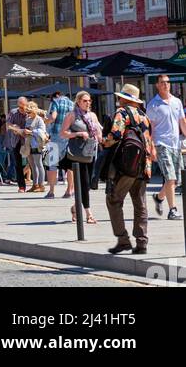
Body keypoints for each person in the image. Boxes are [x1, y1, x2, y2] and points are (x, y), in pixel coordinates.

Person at [103, 83, 156, 256]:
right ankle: (142, 243)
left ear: (126, 99)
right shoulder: (144, 116)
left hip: (127, 166)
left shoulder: (122, 113)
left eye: (120, 97)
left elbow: (116, 135)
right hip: (144, 166)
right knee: (140, 204)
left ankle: (123, 239)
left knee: (113, 200)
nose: (119, 99)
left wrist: (103, 141)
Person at [146, 73, 186, 221]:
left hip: (175, 144)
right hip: (161, 144)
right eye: (162, 82)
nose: (166, 84)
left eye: (168, 82)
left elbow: (182, 122)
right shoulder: (153, 105)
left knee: (176, 181)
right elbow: (150, 129)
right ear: (157, 85)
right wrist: (152, 148)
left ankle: (158, 197)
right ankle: (173, 210)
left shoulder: (177, 102)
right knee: (170, 177)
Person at [61, 90, 102, 224]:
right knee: (83, 183)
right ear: (78, 102)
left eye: (89, 100)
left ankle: (75, 208)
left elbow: (98, 132)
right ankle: (89, 214)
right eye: (85, 100)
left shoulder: (93, 115)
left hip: (91, 152)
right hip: (78, 154)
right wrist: (78, 133)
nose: (88, 103)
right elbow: (63, 133)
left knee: (88, 184)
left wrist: (101, 137)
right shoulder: (72, 115)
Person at [45, 89, 75, 200]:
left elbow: (53, 117)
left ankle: (51, 191)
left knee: (52, 164)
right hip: (69, 136)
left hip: (56, 136)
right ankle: (69, 190)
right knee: (70, 165)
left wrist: (45, 120)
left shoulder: (55, 102)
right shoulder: (72, 104)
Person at [23, 101, 49, 194]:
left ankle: (41, 185)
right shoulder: (28, 120)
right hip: (29, 144)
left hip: (37, 144)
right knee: (32, 166)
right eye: (27, 112)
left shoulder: (39, 119)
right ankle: (35, 185)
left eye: (29, 112)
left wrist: (30, 132)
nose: (28, 114)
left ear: (34, 111)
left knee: (39, 164)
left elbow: (42, 131)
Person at [6, 96, 30, 194]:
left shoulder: (30, 111)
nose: (21, 109)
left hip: (29, 140)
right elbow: (8, 125)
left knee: (34, 163)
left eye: (23, 106)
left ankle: (37, 184)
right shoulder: (13, 112)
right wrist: (15, 128)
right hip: (16, 141)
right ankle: (21, 186)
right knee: (18, 164)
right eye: (19, 107)